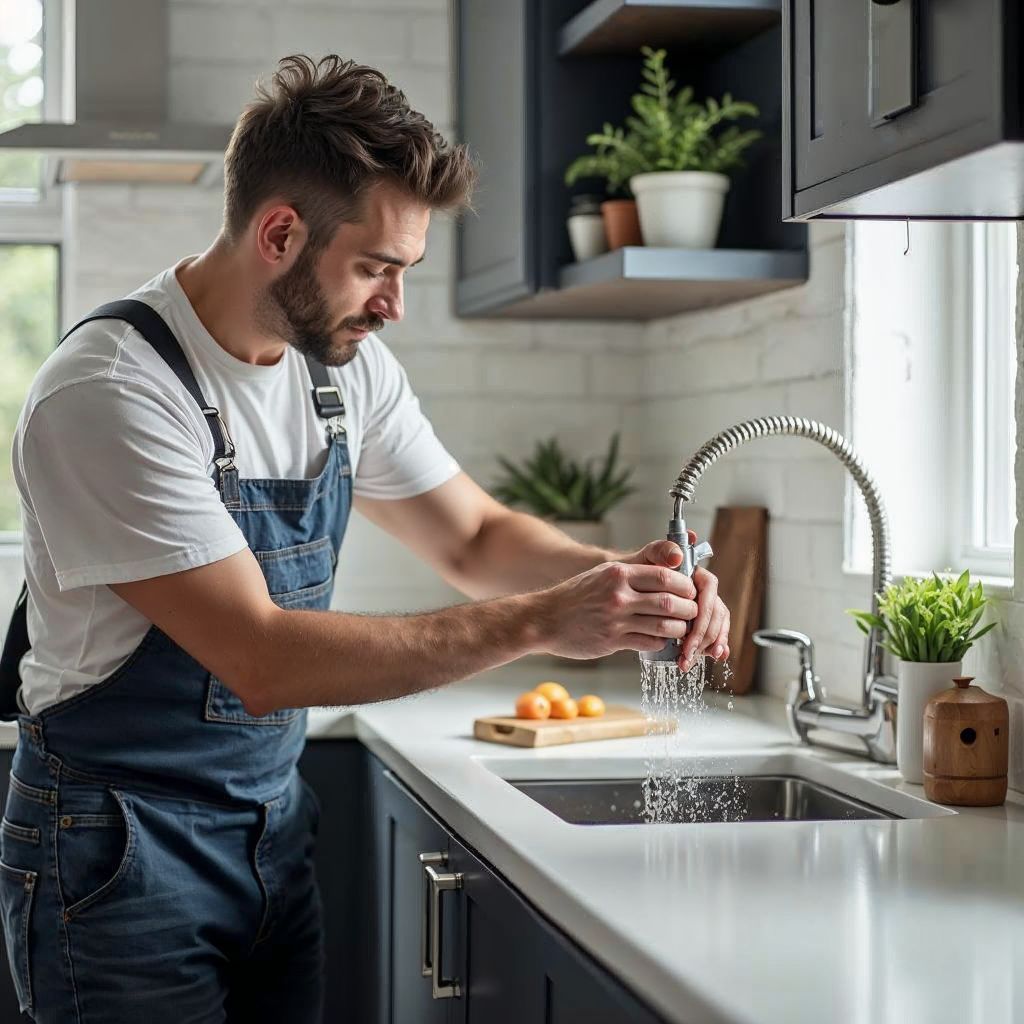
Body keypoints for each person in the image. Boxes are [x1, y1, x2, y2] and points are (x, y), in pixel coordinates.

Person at [0, 54, 730, 1022]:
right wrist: (545, 621)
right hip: (116, 845)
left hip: (270, 823)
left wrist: (628, 578)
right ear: (278, 232)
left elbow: (471, 534)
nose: (392, 304)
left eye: (403, 270)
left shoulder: (344, 374)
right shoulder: (112, 392)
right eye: (376, 267)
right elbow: (258, 655)